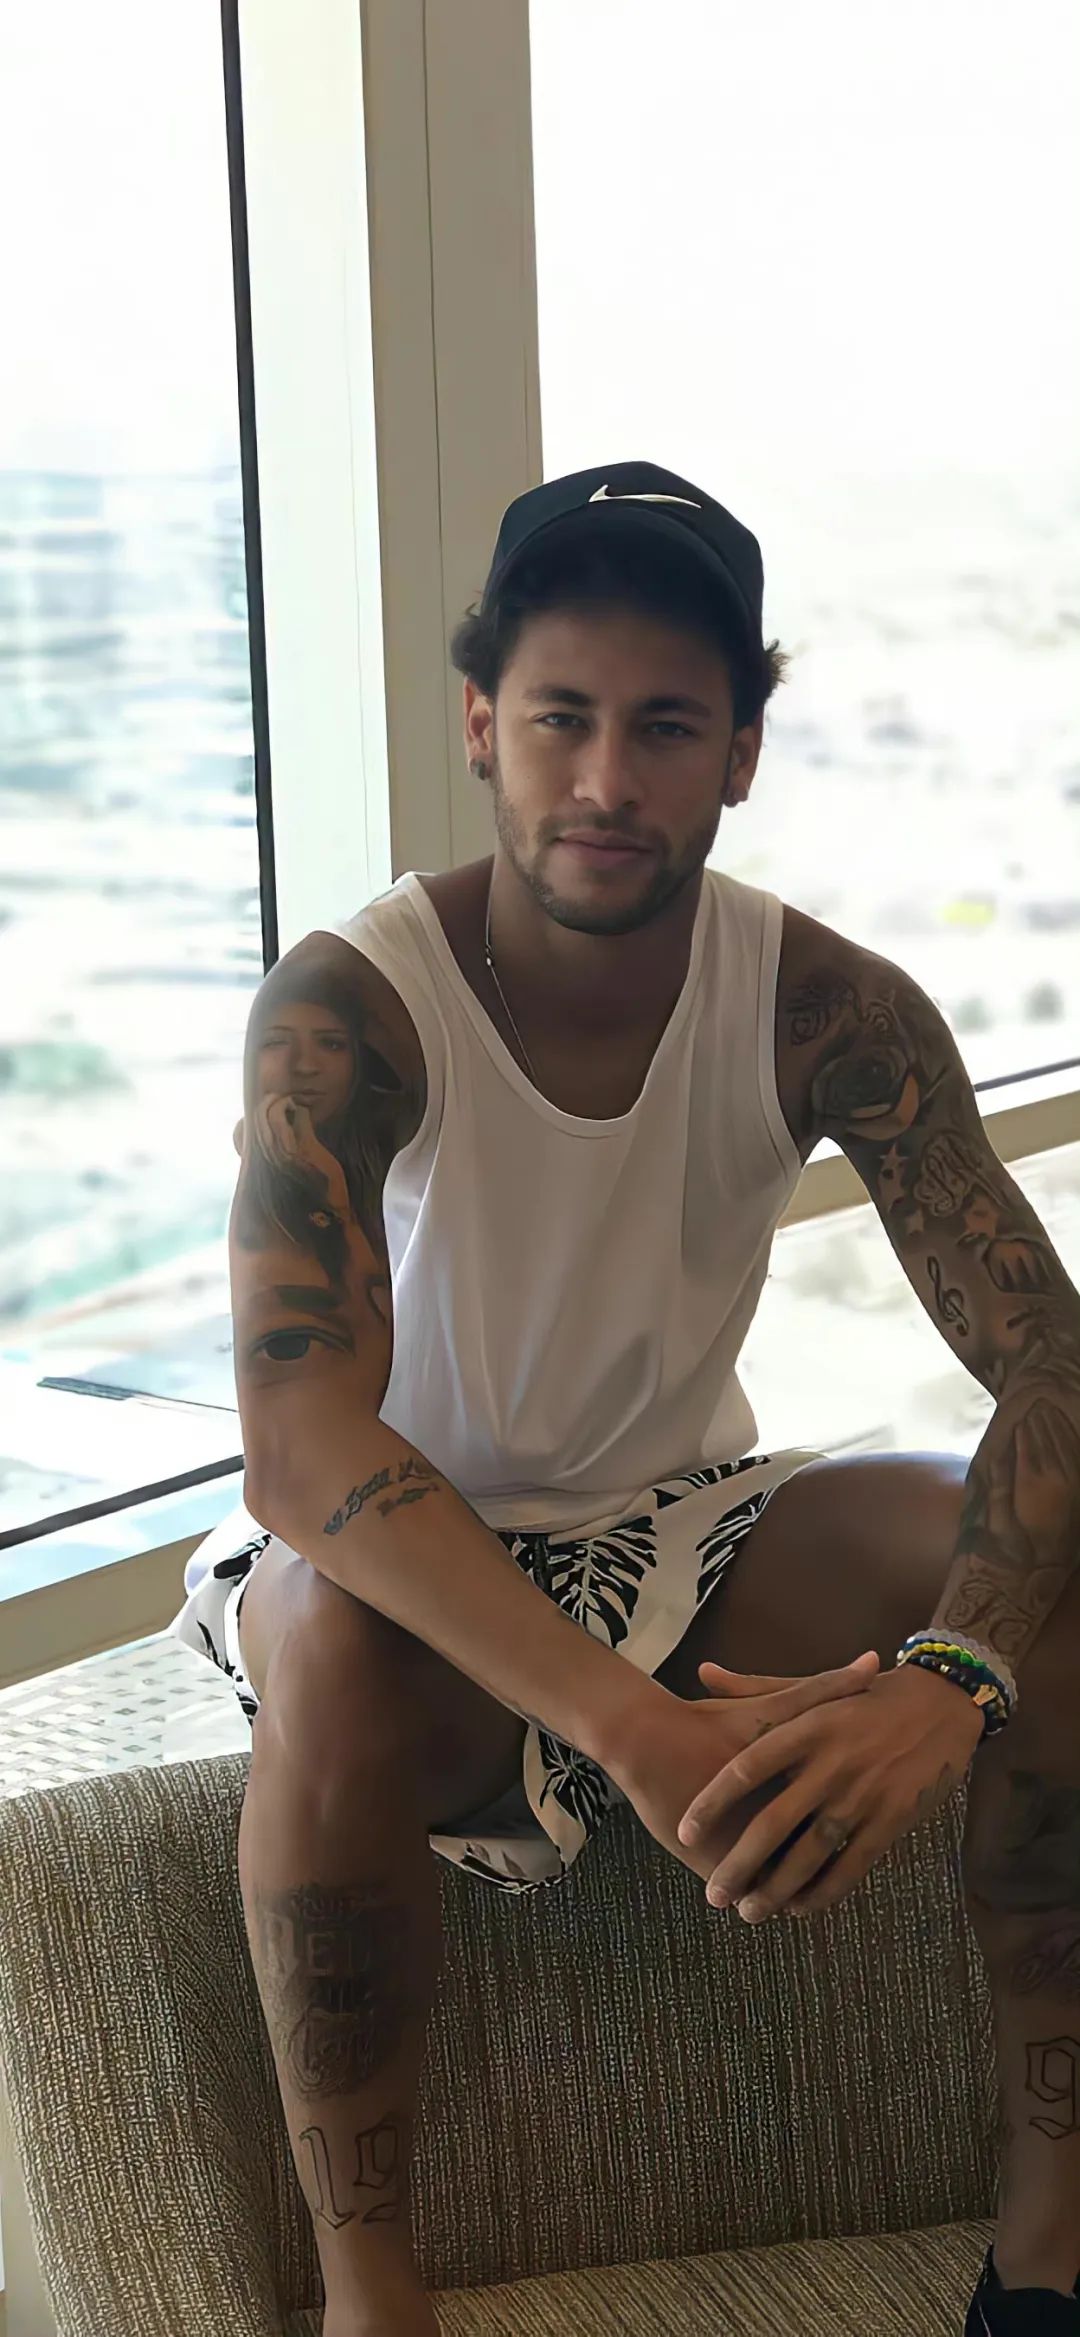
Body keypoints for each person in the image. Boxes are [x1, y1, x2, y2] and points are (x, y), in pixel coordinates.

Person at [170, 461, 1080, 2337]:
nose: (605, 779)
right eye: (561, 718)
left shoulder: (829, 1007)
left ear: (739, 753)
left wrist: (952, 1674)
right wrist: (630, 1729)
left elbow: (1055, 1366)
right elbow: (300, 1441)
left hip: (685, 1533)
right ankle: (372, 2298)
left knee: (1030, 1550)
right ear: (481, 725)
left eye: (665, 726)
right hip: (395, 1560)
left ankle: (1051, 2257)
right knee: (327, 1622)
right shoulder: (353, 1005)